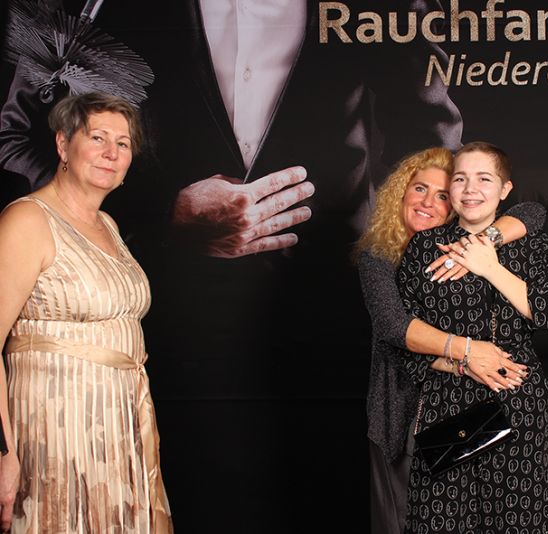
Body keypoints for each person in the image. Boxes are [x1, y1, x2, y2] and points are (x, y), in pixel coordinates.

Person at [0, 1, 463, 528]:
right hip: (169, 348)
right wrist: (168, 214)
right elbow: (18, 138)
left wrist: (406, 287)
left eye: (119, 142)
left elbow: (432, 148)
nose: (111, 150)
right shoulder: (98, 5)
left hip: (330, 337)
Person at [0, 92, 172, 533]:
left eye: (123, 143)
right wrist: (3, 453)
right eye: (97, 138)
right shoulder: (27, 220)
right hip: (52, 433)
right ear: (63, 144)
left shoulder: (108, 225)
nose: (111, 152)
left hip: (117, 430)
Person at [355, 146, 548, 534]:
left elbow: (534, 212)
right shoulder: (379, 257)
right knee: (399, 520)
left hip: (466, 408)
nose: (428, 202)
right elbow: (395, 328)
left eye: (443, 194)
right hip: (402, 410)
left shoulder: (468, 250)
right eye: (419, 189)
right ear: (400, 194)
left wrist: (484, 242)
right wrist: (468, 353)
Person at [397, 142, 548, 534]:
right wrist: (464, 361)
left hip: (515, 402)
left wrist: (488, 265)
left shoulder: (532, 243)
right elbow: (402, 337)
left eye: (484, 179)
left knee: (517, 523)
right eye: (460, 179)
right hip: (445, 406)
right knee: (439, 522)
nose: (471, 189)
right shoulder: (424, 247)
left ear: (505, 189)